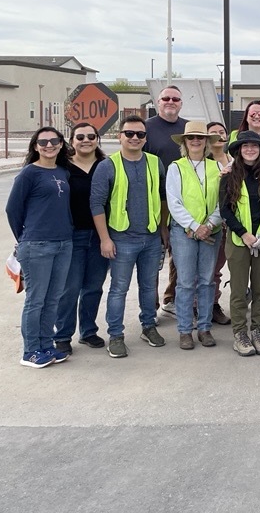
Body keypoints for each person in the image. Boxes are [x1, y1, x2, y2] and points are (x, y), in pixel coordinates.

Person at [90, 116, 168, 358]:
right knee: (119, 289)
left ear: (146, 138)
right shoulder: (107, 166)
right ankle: (116, 334)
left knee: (148, 287)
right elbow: (96, 204)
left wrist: (163, 229)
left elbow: (163, 198)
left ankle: (148, 326)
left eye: (140, 134)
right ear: (120, 136)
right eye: (129, 133)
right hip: (121, 238)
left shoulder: (156, 163)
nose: (135, 138)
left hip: (151, 238)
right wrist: (105, 238)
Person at [5, 126, 73, 368]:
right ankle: (31, 351)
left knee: (52, 299)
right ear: (35, 146)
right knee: (36, 300)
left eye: (54, 140)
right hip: (37, 245)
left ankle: (46, 346)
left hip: (64, 243)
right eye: (43, 141)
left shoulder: (63, 172)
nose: (49, 145)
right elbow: (13, 210)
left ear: (61, 144)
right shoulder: (28, 174)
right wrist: (25, 237)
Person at [220, 131, 260, 356]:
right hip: (238, 240)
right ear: (238, 150)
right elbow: (225, 209)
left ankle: (257, 331)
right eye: (245, 146)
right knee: (238, 290)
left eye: (254, 146)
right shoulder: (228, 176)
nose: (250, 149)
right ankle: (240, 334)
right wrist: (244, 234)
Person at [166, 121, 224, 350]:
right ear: (185, 142)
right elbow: (174, 201)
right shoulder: (176, 167)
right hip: (184, 232)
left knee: (207, 281)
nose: (196, 141)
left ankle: (204, 327)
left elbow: (223, 200)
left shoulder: (217, 168)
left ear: (207, 142)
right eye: (192, 138)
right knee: (186, 282)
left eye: (201, 137)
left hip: (211, 231)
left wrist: (209, 224)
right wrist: (193, 226)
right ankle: (184, 330)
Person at [53, 122, 109, 354]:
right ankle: (63, 335)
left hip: (101, 235)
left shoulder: (107, 166)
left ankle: (88, 331)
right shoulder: (62, 167)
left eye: (91, 136)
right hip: (72, 235)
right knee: (70, 288)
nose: (86, 140)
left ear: (97, 139)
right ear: (72, 140)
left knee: (93, 286)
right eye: (80, 136)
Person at [143, 85, 187, 315]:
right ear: (158, 102)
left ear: (181, 103)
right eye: (166, 98)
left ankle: (172, 298)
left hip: (184, 202)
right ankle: (150, 309)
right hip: (154, 202)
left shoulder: (187, 129)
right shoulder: (146, 129)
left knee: (180, 256)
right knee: (154, 257)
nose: (170, 102)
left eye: (175, 99)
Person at [205, 121, 232, 326]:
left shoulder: (234, 159)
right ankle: (198, 307)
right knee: (204, 268)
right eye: (213, 133)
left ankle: (213, 305)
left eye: (221, 132)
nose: (218, 136)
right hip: (207, 222)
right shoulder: (201, 161)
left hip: (229, 222)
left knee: (218, 268)